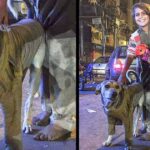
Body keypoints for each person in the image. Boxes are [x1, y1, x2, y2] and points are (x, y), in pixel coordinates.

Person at [118, 2, 150, 140]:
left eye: (144, 13)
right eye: (137, 14)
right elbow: (130, 55)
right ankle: (146, 124)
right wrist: (123, 73)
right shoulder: (135, 36)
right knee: (145, 100)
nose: (140, 17)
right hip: (146, 73)